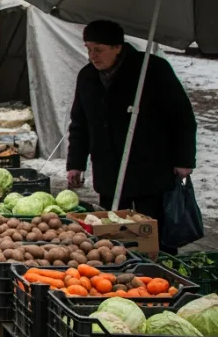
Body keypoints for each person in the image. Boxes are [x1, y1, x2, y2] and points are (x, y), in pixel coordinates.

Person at [66, 20, 196, 253]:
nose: (93, 55)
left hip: (149, 165)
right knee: (112, 228)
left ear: (117, 47)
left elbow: (182, 117)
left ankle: (160, 269)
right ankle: (119, 269)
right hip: (108, 167)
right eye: (88, 49)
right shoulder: (87, 77)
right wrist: (75, 163)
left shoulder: (152, 70)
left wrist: (184, 159)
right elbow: (80, 124)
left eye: (98, 49)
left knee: (152, 228)